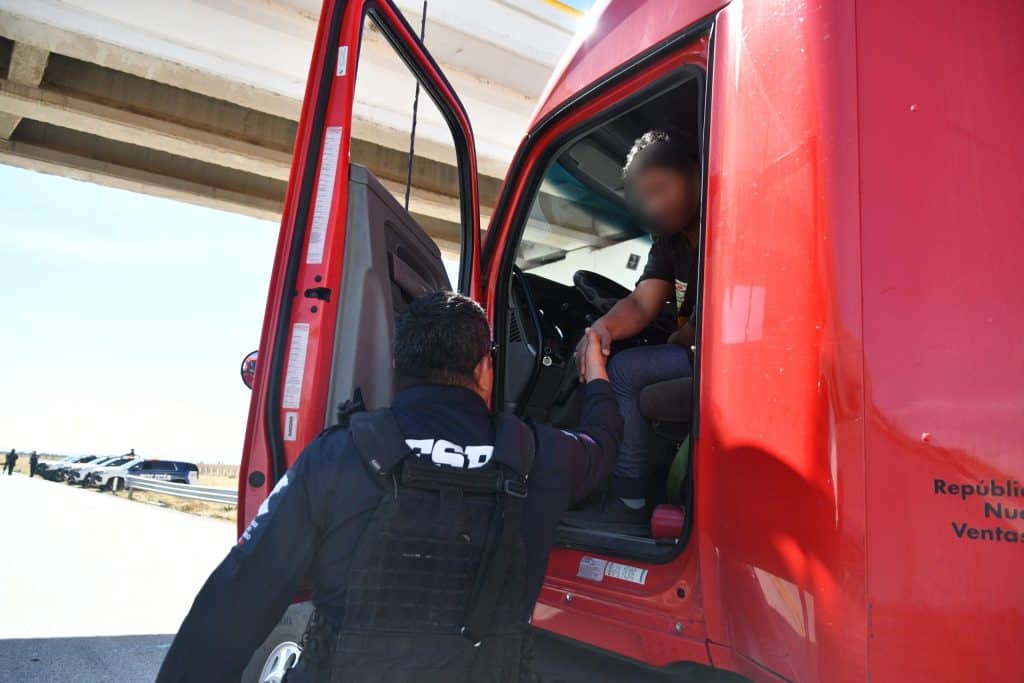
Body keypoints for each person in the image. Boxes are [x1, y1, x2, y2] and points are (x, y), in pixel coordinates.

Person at [157, 291, 622, 682]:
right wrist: (596, 370)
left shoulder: (338, 454)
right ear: (484, 368)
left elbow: (239, 595)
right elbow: (603, 442)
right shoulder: (543, 456)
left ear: (398, 363)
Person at [571, 130, 701, 530]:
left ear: (697, 173)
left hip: (728, 354)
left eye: (662, 188)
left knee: (625, 373)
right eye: (645, 196)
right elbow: (644, 302)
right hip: (698, 350)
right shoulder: (670, 242)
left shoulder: (726, 221)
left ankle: (628, 501)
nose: (655, 204)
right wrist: (601, 330)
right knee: (621, 362)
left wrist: (685, 334)